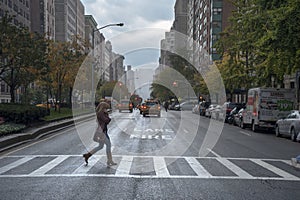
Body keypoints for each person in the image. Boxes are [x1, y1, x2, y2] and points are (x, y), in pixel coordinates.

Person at [83, 102, 117, 166]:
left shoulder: (101, 113)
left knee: (100, 146)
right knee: (108, 145)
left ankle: (87, 155)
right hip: (102, 132)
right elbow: (106, 121)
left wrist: (106, 115)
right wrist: (108, 116)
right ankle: (110, 160)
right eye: (105, 108)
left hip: (103, 131)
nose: (106, 109)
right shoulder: (101, 113)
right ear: (103, 108)